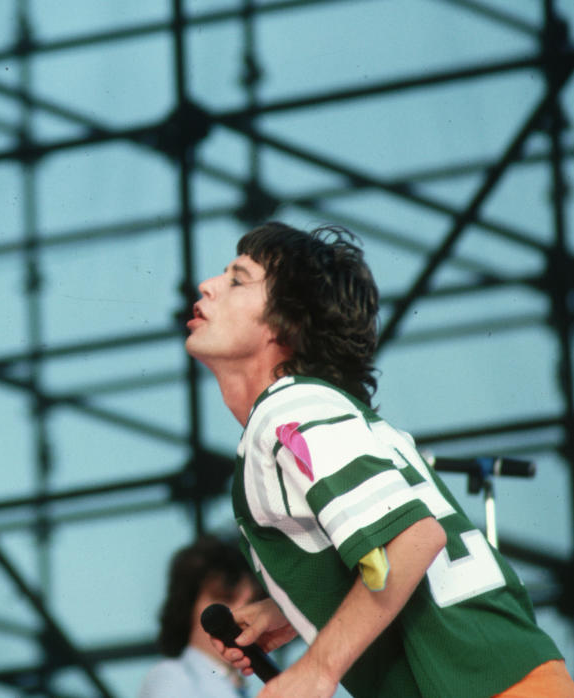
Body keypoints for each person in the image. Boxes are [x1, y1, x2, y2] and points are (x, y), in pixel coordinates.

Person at [184, 221, 574, 698]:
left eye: (238, 279)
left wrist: (318, 668)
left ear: (286, 324)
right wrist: (288, 608)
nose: (208, 285)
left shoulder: (288, 411)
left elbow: (412, 537)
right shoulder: (322, 411)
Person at [138, 536, 261, 698]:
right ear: (188, 606)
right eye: (226, 598)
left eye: (252, 602)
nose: (241, 613)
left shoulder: (242, 685)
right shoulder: (171, 677)